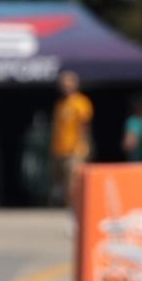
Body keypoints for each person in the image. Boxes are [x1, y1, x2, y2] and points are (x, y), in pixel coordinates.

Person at [51, 70, 94, 208]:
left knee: (73, 180)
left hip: (75, 148)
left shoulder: (81, 102)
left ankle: (76, 207)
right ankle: (69, 207)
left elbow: (85, 126)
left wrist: (84, 144)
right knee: (62, 181)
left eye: (68, 83)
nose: (65, 86)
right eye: (63, 83)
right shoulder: (61, 104)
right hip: (60, 148)